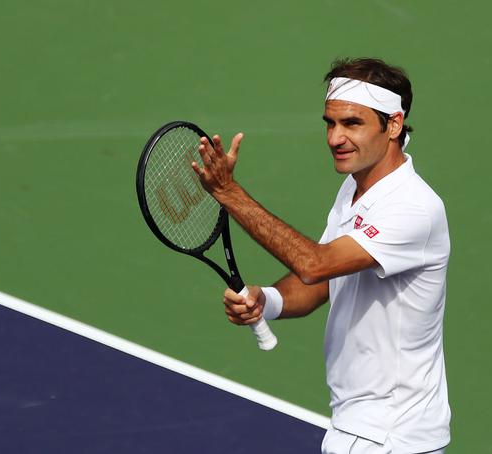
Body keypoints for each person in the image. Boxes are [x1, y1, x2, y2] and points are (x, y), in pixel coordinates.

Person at [191, 57, 451, 454]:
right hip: (367, 428)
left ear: (393, 124)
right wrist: (269, 300)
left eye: (352, 123)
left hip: (387, 436)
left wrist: (229, 193)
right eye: (330, 123)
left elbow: (316, 264)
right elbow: (325, 281)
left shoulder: (414, 207)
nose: (335, 138)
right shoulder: (355, 188)